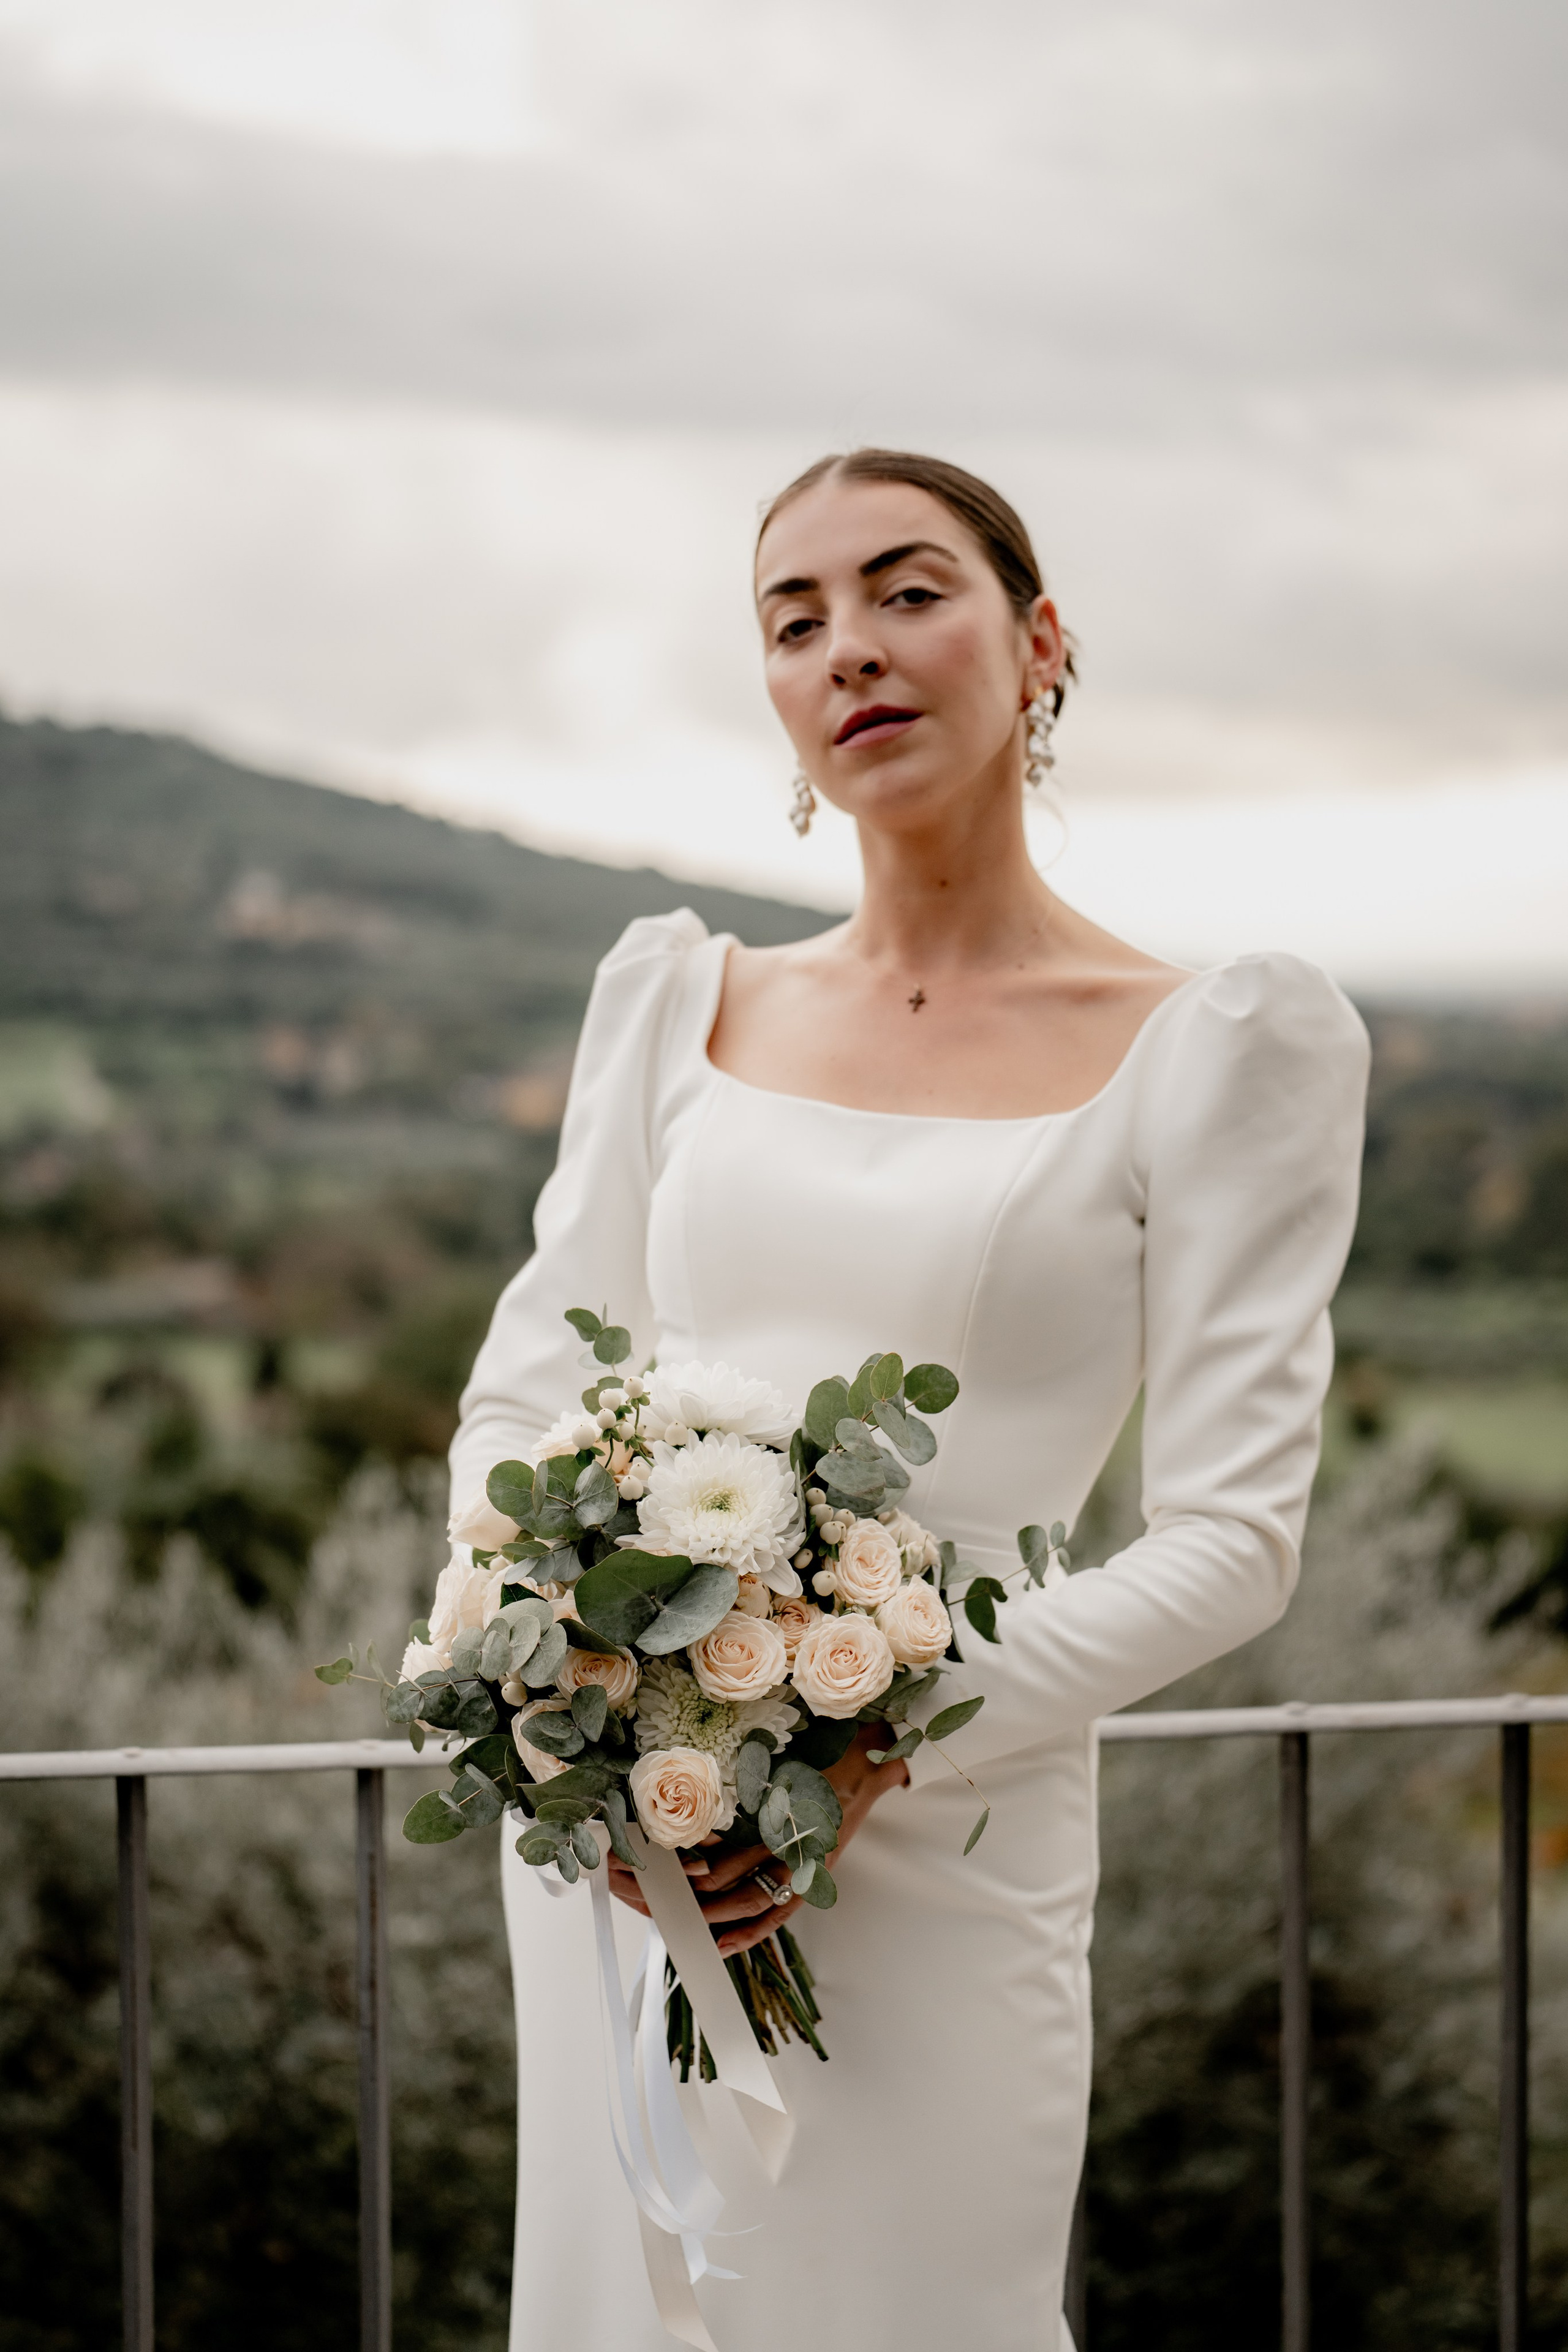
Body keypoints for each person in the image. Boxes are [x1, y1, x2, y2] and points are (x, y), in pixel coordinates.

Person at [450, 448, 1370, 2352]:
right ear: (778, 700)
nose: (850, 648)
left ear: (1040, 646)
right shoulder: (672, 1002)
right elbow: (525, 1398)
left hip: (946, 1855)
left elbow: (1233, 1539)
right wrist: (580, 1715)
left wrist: (864, 1749)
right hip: (638, 1857)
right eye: (795, 621)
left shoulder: (1219, 1049)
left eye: (908, 591)